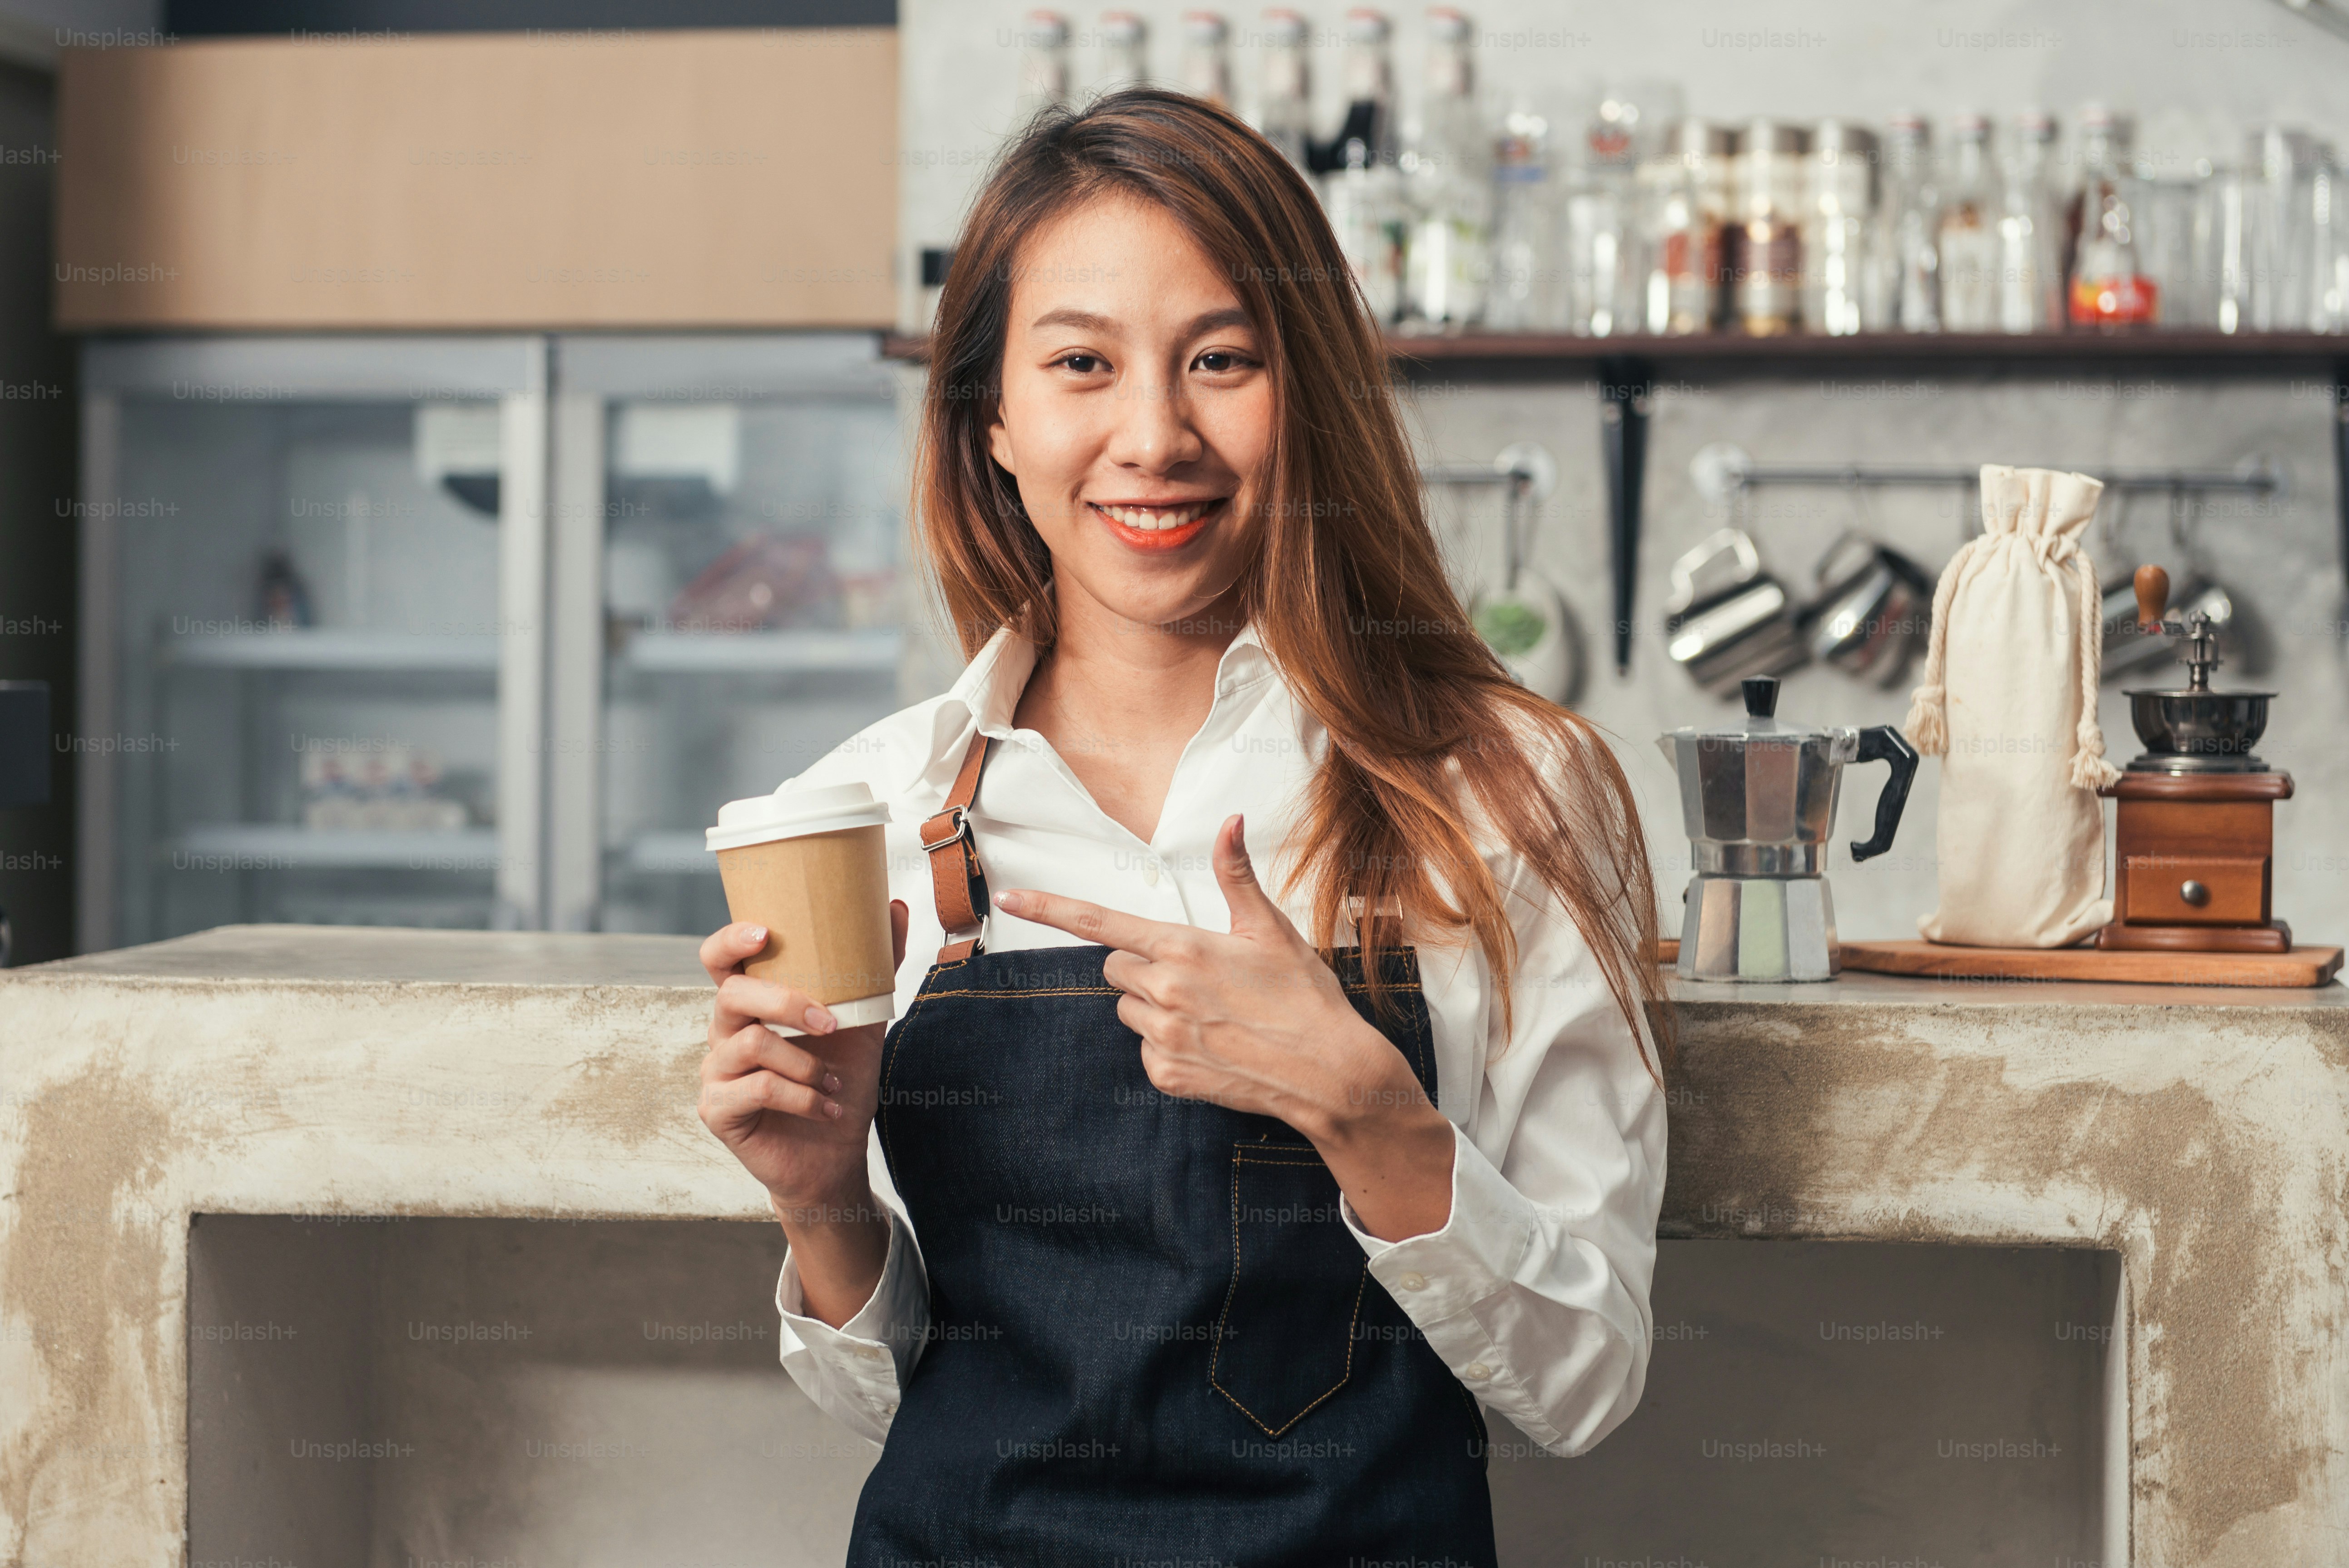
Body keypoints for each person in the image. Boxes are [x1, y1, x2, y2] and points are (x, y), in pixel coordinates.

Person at [696, 87, 1668, 1566]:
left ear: (1311, 395)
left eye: (1221, 360)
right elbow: (886, 1393)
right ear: (993, 416)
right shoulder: (877, 814)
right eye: (1080, 363)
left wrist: (1370, 1117)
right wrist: (822, 1206)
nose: (1153, 436)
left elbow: (1586, 1381)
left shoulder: (1507, 789)